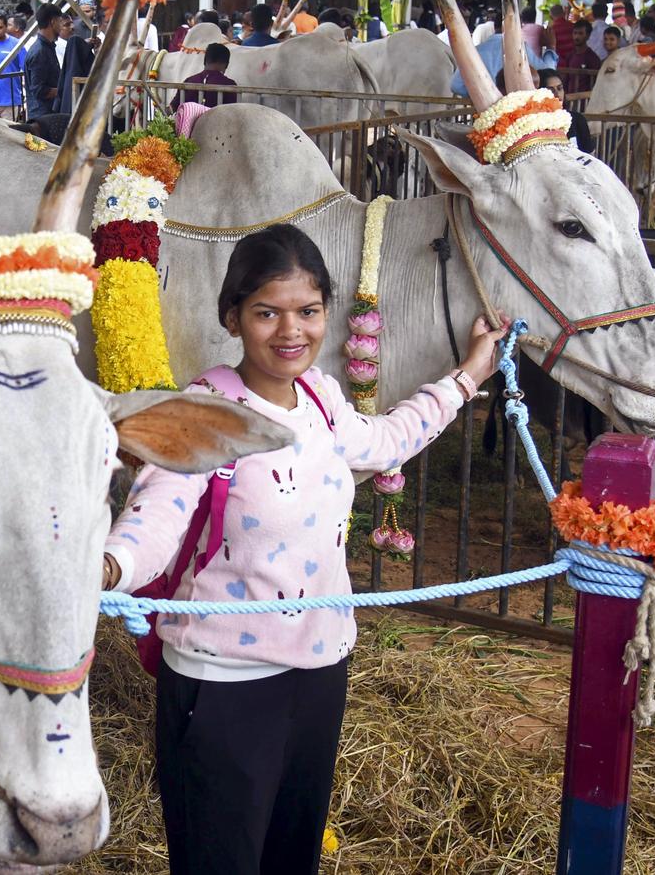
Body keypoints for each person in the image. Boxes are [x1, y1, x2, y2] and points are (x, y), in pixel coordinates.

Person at [101, 225, 506, 875]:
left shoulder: (321, 396)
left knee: (293, 860)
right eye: (267, 311)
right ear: (233, 316)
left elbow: (385, 440)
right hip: (223, 686)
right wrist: (108, 566)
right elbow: (155, 518)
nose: (291, 331)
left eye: (308, 311)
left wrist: (468, 376)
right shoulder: (203, 410)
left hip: (319, 675)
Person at [449, 16, 559, 99]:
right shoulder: (520, 49)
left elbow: (456, 86)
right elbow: (548, 74)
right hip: (515, 112)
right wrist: (551, 48)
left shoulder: (475, 51)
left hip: (482, 113)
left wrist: (481, 96)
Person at [540, 68, 593, 154]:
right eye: (551, 90)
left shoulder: (577, 119)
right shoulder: (536, 125)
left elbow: (590, 157)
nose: (557, 94)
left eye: (560, 88)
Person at [171, 42, 237, 110]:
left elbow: (172, 108)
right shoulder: (230, 85)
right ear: (227, 64)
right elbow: (232, 113)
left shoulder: (188, 81)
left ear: (204, 61)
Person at [25, 2, 63, 118]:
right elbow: (39, 90)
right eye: (60, 21)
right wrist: (63, 90)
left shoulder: (47, 48)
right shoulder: (39, 52)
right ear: (53, 22)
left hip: (48, 113)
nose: (61, 26)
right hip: (43, 117)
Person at [560, 19, 600, 94]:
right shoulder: (570, 55)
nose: (577, 36)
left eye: (580, 33)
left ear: (588, 36)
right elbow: (566, 79)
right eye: (575, 33)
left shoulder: (593, 58)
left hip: (584, 101)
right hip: (569, 99)